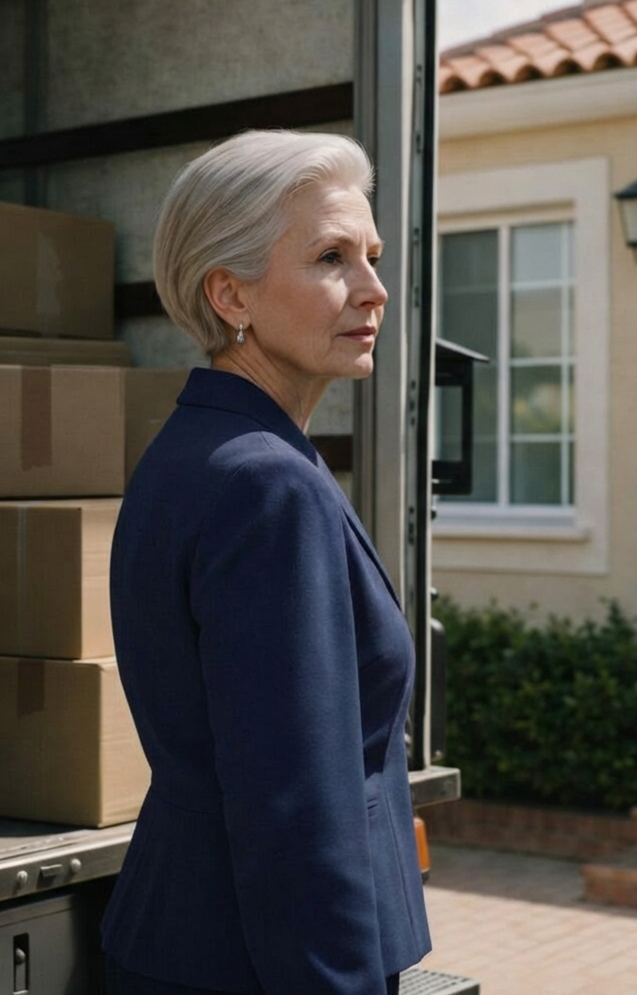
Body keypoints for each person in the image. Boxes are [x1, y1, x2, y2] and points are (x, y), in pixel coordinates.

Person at [101, 130, 431, 995]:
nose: (374, 288)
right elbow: (296, 814)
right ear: (230, 293)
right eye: (332, 258)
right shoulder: (265, 483)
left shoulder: (199, 449)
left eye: (372, 255)